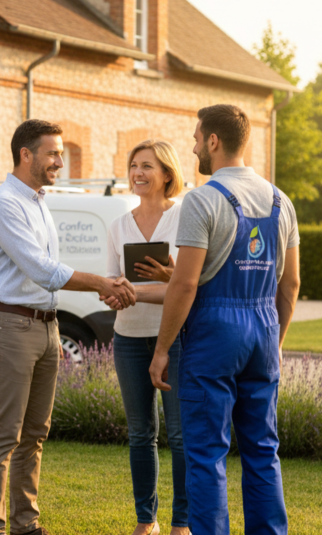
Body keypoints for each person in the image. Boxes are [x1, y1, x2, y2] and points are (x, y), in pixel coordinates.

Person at [145, 105, 300, 534]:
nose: (194, 146)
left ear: (213, 141)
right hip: (263, 329)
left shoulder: (202, 200)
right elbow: (290, 284)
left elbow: (184, 284)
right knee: (262, 450)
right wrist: (276, 343)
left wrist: (161, 349)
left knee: (206, 453)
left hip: (215, 333)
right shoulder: (281, 201)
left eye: (197, 138)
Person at [0, 119, 135, 535]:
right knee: (4, 434)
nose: (60, 162)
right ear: (25, 154)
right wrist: (102, 283)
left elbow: (48, 272)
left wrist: (104, 285)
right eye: (52, 153)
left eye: (61, 154)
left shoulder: (38, 202)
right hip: (10, 325)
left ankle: (26, 525)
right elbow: (42, 270)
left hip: (46, 326)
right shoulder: (4, 204)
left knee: (35, 433)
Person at [106, 139, 189, 535]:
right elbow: (113, 283)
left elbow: (186, 286)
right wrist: (113, 294)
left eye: (147, 166)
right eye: (134, 165)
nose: (137, 173)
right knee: (141, 434)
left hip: (174, 338)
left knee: (180, 435)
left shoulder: (184, 218)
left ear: (167, 174)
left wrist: (140, 290)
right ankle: (146, 520)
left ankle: (182, 523)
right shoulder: (118, 225)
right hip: (128, 337)